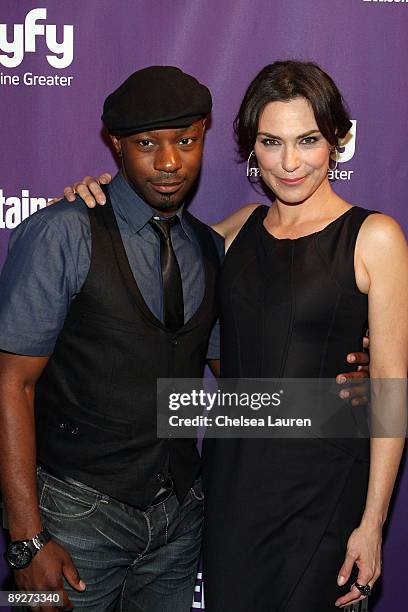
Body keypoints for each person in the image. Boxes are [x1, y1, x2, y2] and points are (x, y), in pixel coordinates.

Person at [68, 61, 407, 612]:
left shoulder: (375, 236)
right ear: (252, 147)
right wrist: (101, 193)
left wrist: (372, 525)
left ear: (336, 143)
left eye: (308, 140)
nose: (290, 162)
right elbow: (149, 229)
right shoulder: (233, 232)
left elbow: (390, 390)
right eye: (272, 142)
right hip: (233, 484)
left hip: (324, 487)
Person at [0, 66, 223, 612]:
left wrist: (354, 396)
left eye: (186, 141)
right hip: (75, 518)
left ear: (203, 135)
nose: (169, 162)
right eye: (147, 143)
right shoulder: (63, 232)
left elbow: (237, 377)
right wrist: (26, 542)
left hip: (178, 523)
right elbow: (11, 386)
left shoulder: (208, 247)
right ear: (116, 145)